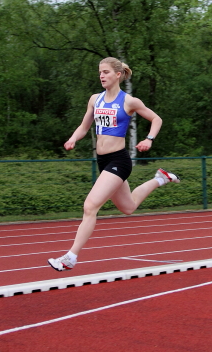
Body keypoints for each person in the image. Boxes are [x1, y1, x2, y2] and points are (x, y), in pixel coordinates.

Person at [47, 57, 180, 271]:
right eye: (100, 72)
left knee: (90, 206)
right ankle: (160, 179)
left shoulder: (129, 101)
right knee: (128, 207)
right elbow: (84, 126)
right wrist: (73, 138)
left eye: (106, 72)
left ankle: (71, 257)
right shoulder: (95, 100)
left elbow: (156, 119)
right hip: (103, 161)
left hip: (119, 160)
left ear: (118, 75)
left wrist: (149, 139)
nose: (102, 75)